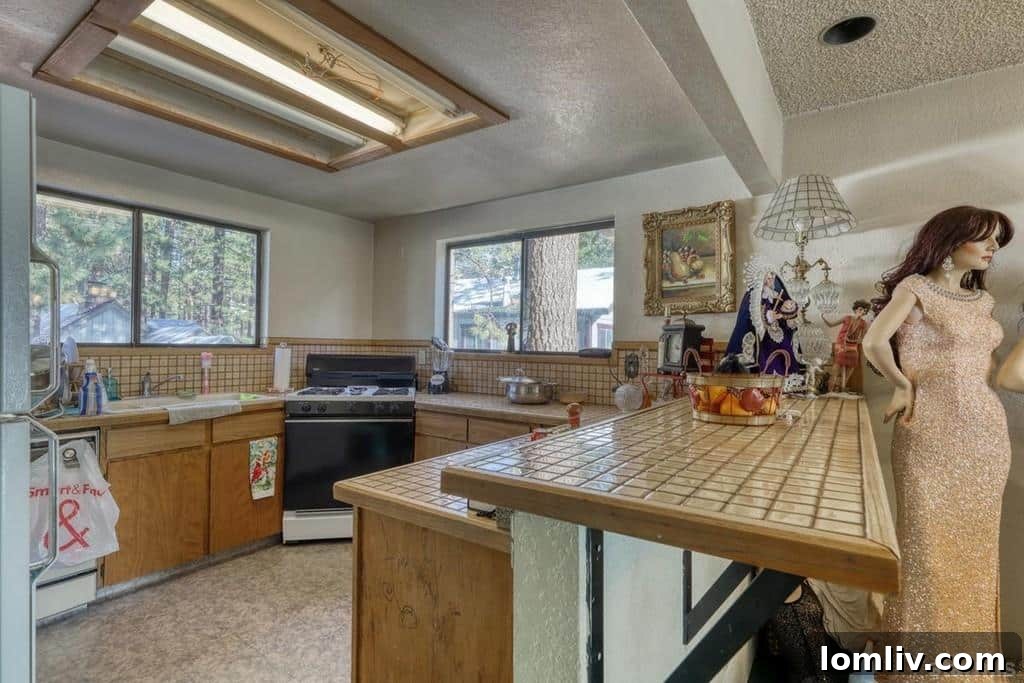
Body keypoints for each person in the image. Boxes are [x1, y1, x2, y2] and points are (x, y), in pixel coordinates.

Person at [861, 206, 1013, 673]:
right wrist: (902, 385)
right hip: (930, 433)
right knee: (927, 552)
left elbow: (987, 367)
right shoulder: (915, 289)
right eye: (984, 240)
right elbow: (873, 343)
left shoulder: (982, 303)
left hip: (986, 435)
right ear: (950, 243)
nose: (992, 249)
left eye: (996, 242)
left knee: (977, 552)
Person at [822, 300, 872, 393]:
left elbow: (864, 337)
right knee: (837, 367)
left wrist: (859, 340)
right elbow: (831, 324)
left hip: (853, 346)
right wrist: (824, 318)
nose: (862, 312)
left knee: (852, 366)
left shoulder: (863, 323)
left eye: (864, 311)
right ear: (856, 309)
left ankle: (841, 389)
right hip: (841, 344)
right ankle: (830, 390)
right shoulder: (847, 318)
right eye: (860, 309)